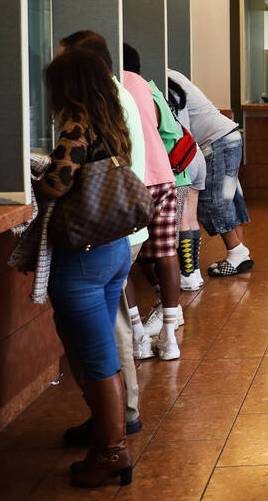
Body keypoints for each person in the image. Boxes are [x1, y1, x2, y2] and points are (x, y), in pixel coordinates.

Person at [36, 49, 137, 487]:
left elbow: (57, 185)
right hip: (112, 249)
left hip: (83, 258)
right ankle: (104, 437)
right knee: (100, 352)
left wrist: (36, 176)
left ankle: (112, 451)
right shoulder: (112, 126)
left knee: (94, 358)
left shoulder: (76, 127)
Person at [57, 31, 146, 437]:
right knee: (108, 335)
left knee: (100, 345)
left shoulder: (82, 120)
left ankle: (115, 430)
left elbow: (60, 181)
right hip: (118, 230)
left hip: (94, 237)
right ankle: (115, 421)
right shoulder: (115, 108)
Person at [119, 44, 184, 360]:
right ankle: (170, 337)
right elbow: (168, 128)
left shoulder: (111, 86)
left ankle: (139, 338)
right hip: (163, 177)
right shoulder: (148, 87)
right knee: (166, 253)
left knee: (123, 261)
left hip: (133, 183)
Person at [166, 68, 254, 277]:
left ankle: (237, 253)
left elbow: (181, 124)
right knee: (229, 199)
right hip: (226, 136)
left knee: (212, 201)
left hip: (215, 141)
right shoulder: (173, 75)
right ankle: (238, 255)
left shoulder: (166, 80)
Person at [165, 76, 207, 292]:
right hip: (194, 152)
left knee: (181, 219)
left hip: (181, 160)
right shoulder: (177, 92)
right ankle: (194, 273)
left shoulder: (158, 96)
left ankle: (187, 273)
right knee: (191, 217)